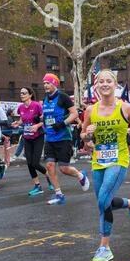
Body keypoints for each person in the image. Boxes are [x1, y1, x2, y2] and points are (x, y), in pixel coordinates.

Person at [81, 69, 130, 261]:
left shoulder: (125, 107)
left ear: (115, 84)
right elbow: (84, 137)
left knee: (102, 200)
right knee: (104, 202)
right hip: (98, 160)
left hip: (119, 159)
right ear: (97, 86)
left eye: (108, 81)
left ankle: (104, 247)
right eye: (101, 81)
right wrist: (88, 134)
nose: (104, 84)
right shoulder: (91, 110)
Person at [41, 73, 90, 205]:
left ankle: (81, 175)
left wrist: (63, 123)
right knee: (50, 165)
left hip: (63, 137)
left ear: (55, 84)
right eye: (44, 83)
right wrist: (40, 120)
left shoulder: (63, 97)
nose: (45, 85)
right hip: (50, 138)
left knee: (63, 168)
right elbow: (46, 116)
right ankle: (59, 195)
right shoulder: (45, 98)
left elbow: (74, 114)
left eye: (48, 83)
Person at [11, 87, 54, 195]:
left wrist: (37, 126)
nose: (21, 95)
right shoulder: (20, 107)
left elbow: (45, 120)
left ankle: (48, 176)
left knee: (35, 162)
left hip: (38, 136)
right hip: (27, 137)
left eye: (24, 93)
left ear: (30, 95)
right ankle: (37, 186)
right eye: (20, 93)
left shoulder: (37, 105)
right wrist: (18, 123)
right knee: (29, 163)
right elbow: (23, 119)